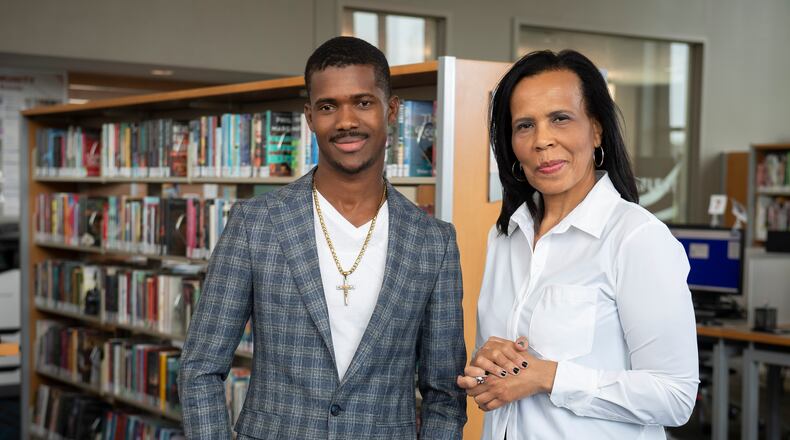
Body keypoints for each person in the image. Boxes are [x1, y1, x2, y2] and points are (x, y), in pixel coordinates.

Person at [179, 36, 467, 439]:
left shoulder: (433, 243)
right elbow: (200, 369)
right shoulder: (255, 223)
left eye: (363, 102)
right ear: (309, 116)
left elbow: (444, 393)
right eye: (328, 106)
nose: (346, 121)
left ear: (393, 110)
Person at [457, 50, 699, 439]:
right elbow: (500, 380)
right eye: (524, 126)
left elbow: (674, 396)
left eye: (560, 119)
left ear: (597, 130)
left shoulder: (636, 238)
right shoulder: (505, 236)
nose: (542, 141)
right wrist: (485, 367)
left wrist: (549, 377)